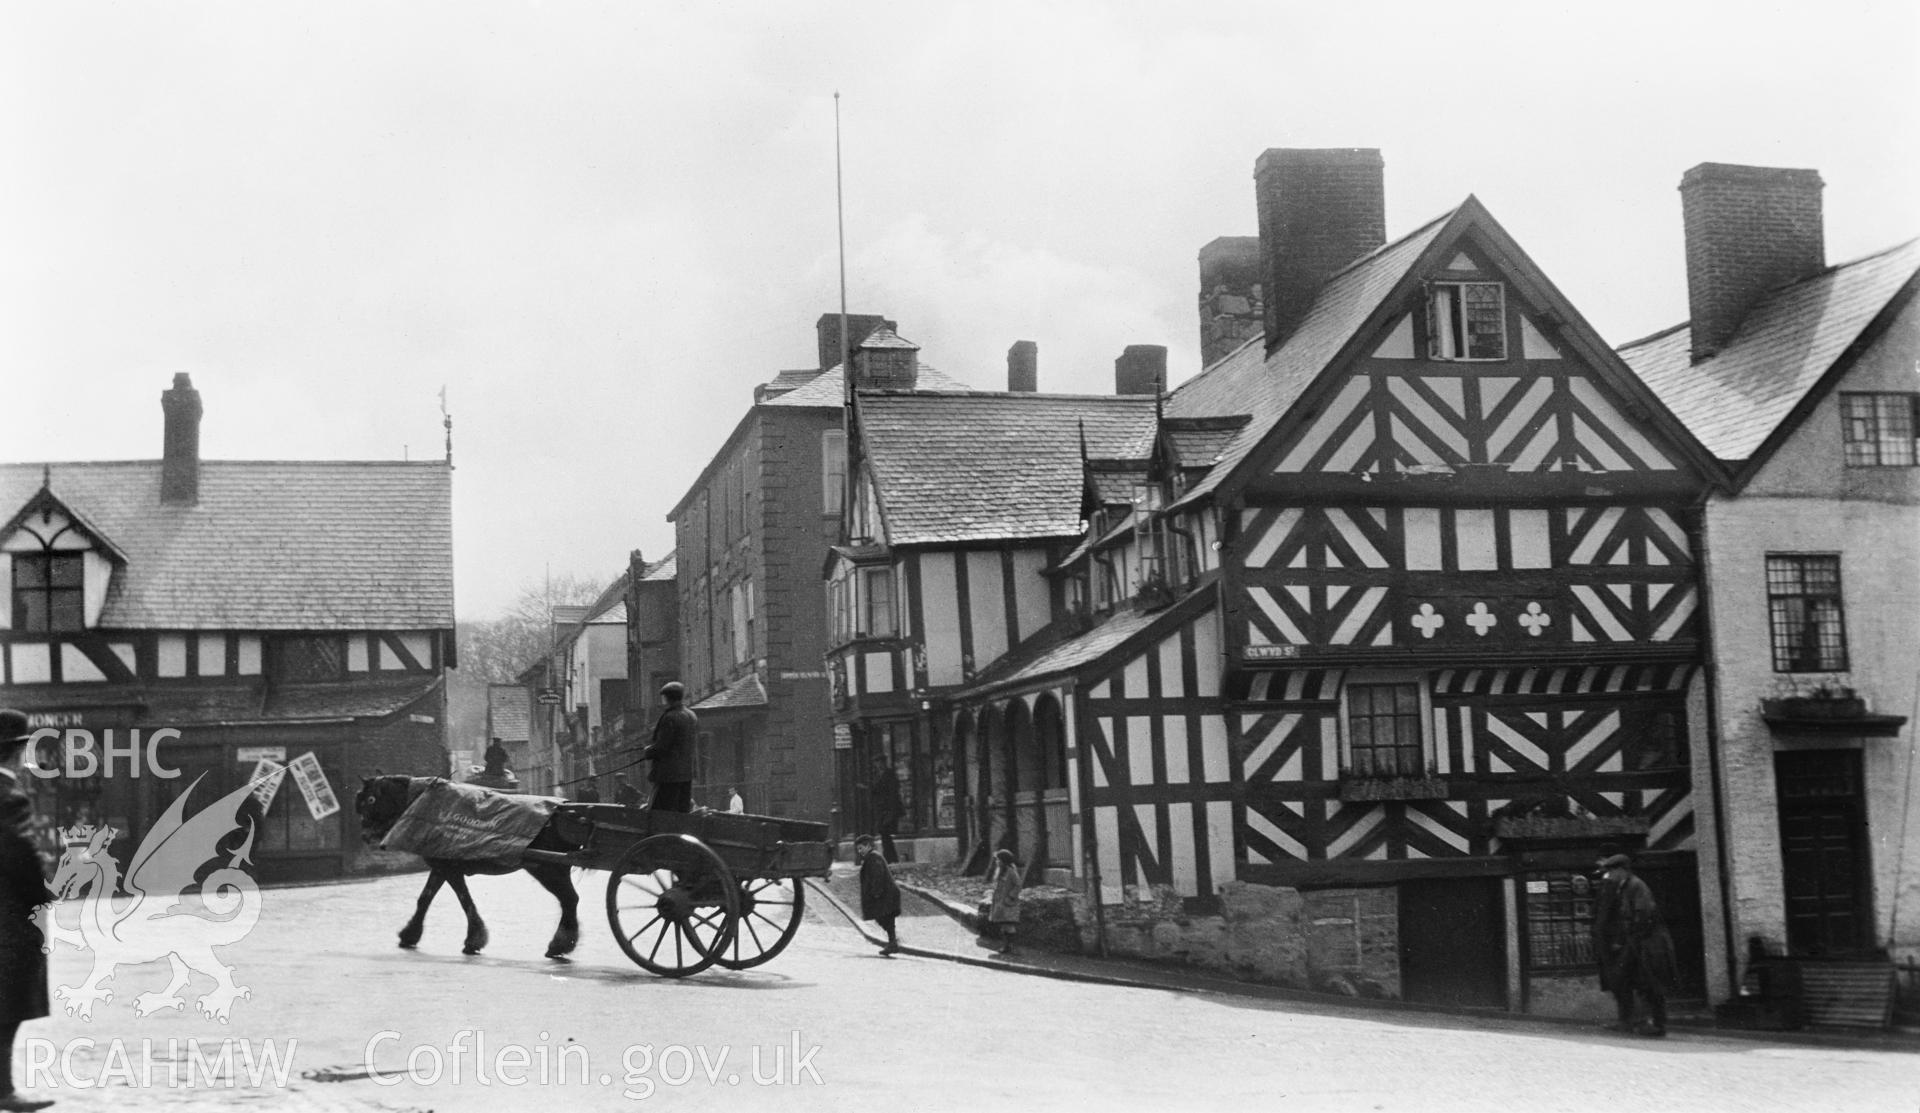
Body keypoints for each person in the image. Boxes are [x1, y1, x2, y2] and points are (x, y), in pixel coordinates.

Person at [0, 710, 54, 1112]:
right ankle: (3, 1091)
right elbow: (18, 851)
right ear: (16, 753)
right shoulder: (8, 796)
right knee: (9, 1003)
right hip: (7, 918)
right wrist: (41, 895)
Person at [1591, 852, 1676, 1037]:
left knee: (1651, 983)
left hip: (1650, 943)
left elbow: (1643, 914)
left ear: (1622, 870)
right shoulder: (1624, 886)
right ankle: (1635, 1022)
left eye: (1612, 871)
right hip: (1638, 941)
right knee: (1632, 980)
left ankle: (1657, 1025)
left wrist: (1631, 939)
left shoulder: (1637, 886)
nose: (1609, 875)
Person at [639, 682, 696, 813]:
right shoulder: (691, 715)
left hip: (668, 775)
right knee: (682, 811)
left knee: (658, 812)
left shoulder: (670, 717)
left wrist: (647, 751)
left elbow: (662, 746)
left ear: (667, 698)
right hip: (686, 773)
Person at [854, 834, 901, 955]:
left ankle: (893, 943)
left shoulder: (874, 858)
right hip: (884, 894)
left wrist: (876, 892)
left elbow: (877, 875)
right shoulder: (871, 857)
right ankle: (893, 942)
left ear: (868, 846)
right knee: (884, 918)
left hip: (884, 894)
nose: (859, 852)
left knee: (884, 917)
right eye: (858, 849)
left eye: (861, 848)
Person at [985, 848, 1025, 955]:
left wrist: (1011, 896)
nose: (997, 862)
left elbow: (1018, 885)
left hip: (1008, 903)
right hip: (1001, 903)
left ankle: (1010, 946)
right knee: (1004, 925)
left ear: (1004, 861)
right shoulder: (1002, 872)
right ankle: (1006, 946)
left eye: (998, 860)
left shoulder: (1011, 872)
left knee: (1009, 925)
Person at [864, 755, 903, 863]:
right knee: (884, 833)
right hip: (882, 809)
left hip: (889, 808)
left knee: (885, 831)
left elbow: (892, 791)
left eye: (878, 762)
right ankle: (890, 857)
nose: (877, 765)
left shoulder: (889, 774)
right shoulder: (878, 775)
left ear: (883, 762)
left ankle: (890, 857)